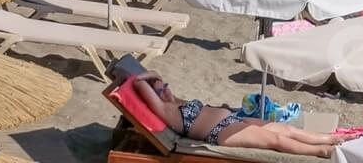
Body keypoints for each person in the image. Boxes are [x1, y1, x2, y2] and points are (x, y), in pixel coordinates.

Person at [128, 72, 343, 157]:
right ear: (152, 96)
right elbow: (138, 82)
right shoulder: (164, 109)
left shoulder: (173, 101)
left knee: (287, 129)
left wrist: (156, 79)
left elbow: (156, 83)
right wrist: (149, 79)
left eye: (165, 85)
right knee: (276, 139)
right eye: (159, 90)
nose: (165, 90)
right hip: (220, 132)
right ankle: (323, 151)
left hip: (233, 119)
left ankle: (330, 138)